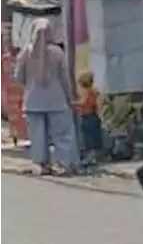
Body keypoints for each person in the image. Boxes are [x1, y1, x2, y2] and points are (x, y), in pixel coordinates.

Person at [13, 18, 78, 176]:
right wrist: (70, 97)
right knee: (63, 134)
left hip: (33, 101)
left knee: (37, 136)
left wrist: (30, 85)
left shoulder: (26, 53)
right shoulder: (57, 52)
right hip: (56, 101)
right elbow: (65, 79)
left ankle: (42, 164)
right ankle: (64, 164)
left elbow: (18, 77)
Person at [75, 69, 103, 167]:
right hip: (94, 116)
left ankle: (89, 158)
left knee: (88, 139)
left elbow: (83, 102)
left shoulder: (86, 92)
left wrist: (73, 103)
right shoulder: (95, 91)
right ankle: (93, 157)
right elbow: (98, 104)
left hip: (87, 117)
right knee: (94, 138)